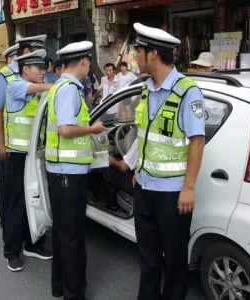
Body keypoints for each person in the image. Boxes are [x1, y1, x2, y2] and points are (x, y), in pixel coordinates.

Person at [132, 23, 205, 300]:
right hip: (145, 187)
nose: (135, 57)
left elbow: (197, 141)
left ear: (153, 54)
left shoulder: (188, 92)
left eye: (138, 51)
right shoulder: (146, 89)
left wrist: (189, 186)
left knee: (174, 260)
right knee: (147, 257)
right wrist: (139, 169)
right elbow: (145, 135)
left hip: (173, 194)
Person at [45, 41, 106, 300]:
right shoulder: (69, 89)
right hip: (68, 174)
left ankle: (60, 287)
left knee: (63, 234)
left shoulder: (60, 86)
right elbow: (66, 129)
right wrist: (93, 130)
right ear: (82, 61)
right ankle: (74, 295)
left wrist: (88, 147)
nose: (89, 67)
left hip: (62, 171)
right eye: (89, 62)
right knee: (72, 238)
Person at [0, 35, 46, 227]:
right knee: (8, 184)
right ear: (28, 52)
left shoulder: (37, 74)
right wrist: (1, 143)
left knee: (29, 188)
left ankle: (27, 227)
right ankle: (7, 222)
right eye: (37, 52)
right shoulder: (4, 76)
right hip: (8, 142)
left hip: (30, 145)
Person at [2, 49, 53, 272]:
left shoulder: (40, 92)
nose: (44, 72)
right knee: (16, 204)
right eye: (39, 68)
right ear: (25, 69)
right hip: (17, 156)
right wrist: (55, 86)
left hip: (36, 156)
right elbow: (41, 87)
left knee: (35, 200)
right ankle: (12, 251)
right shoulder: (15, 86)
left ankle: (33, 243)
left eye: (44, 68)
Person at [103, 139, 138, 211]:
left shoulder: (141, 139)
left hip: (140, 185)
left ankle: (113, 206)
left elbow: (123, 166)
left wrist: (109, 160)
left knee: (109, 171)